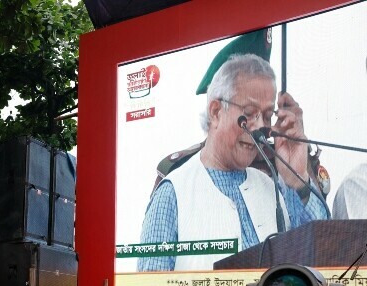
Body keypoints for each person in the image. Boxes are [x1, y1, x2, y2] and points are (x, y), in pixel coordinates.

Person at [138, 53, 328, 271]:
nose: (259, 127)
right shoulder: (173, 193)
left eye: (267, 116)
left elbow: (321, 258)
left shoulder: (275, 187)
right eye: (249, 113)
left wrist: (297, 178)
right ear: (216, 111)